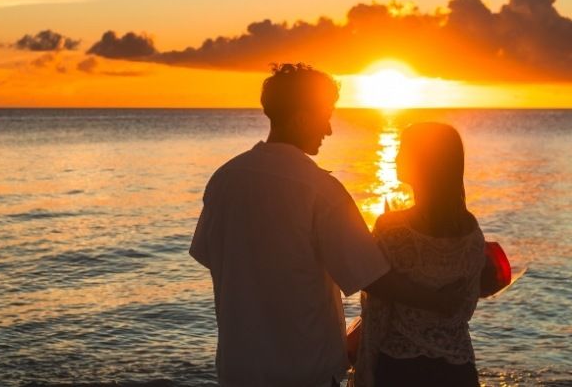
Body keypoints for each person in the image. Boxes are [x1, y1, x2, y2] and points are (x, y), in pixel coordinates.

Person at [190, 64, 464, 387]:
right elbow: (373, 277)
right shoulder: (320, 191)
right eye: (325, 116)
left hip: (237, 373)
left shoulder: (224, 179)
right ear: (301, 119)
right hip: (305, 375)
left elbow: (209, 255)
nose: (329, 130)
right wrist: (437, 299)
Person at [353, 122, 485, 387]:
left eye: (403, 149)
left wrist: (365, 369)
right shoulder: (471, 230)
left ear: (423, 161)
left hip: (402, 368)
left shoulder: (392, 229)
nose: (396, 156)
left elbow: (377, 311)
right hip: (459, 368)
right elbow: (466, 307)